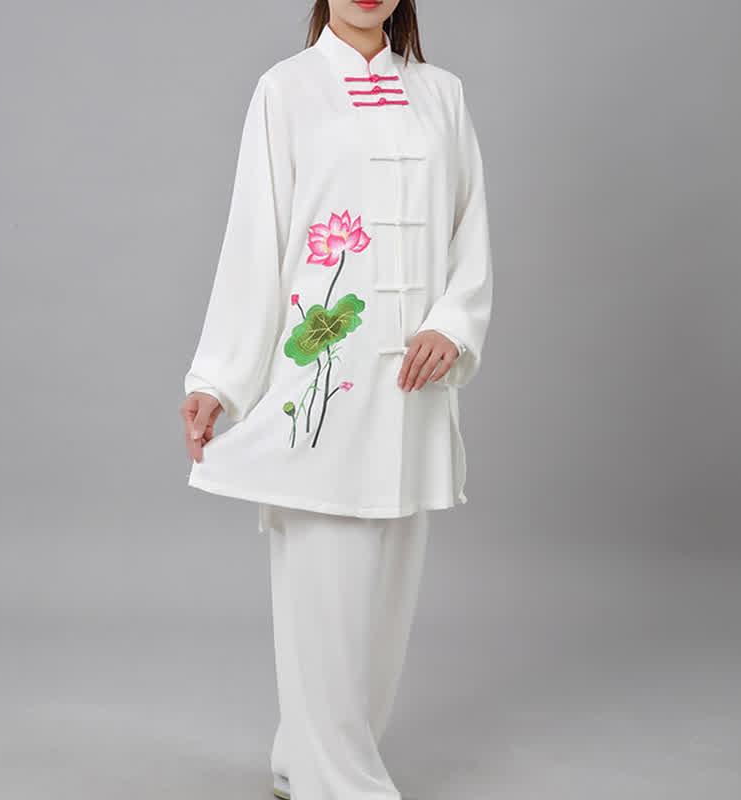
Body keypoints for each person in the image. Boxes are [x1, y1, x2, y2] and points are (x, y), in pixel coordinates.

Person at [179, 2, 493, 798]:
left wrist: (453, 324)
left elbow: (470, 230)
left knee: (382, 612)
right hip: (325, 390)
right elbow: (255, 238)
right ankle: (342, 785)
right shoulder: (286, 90)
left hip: (414, 394)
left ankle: (303, 756)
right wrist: (217, 379)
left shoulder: (442, 94)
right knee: (327, 599)